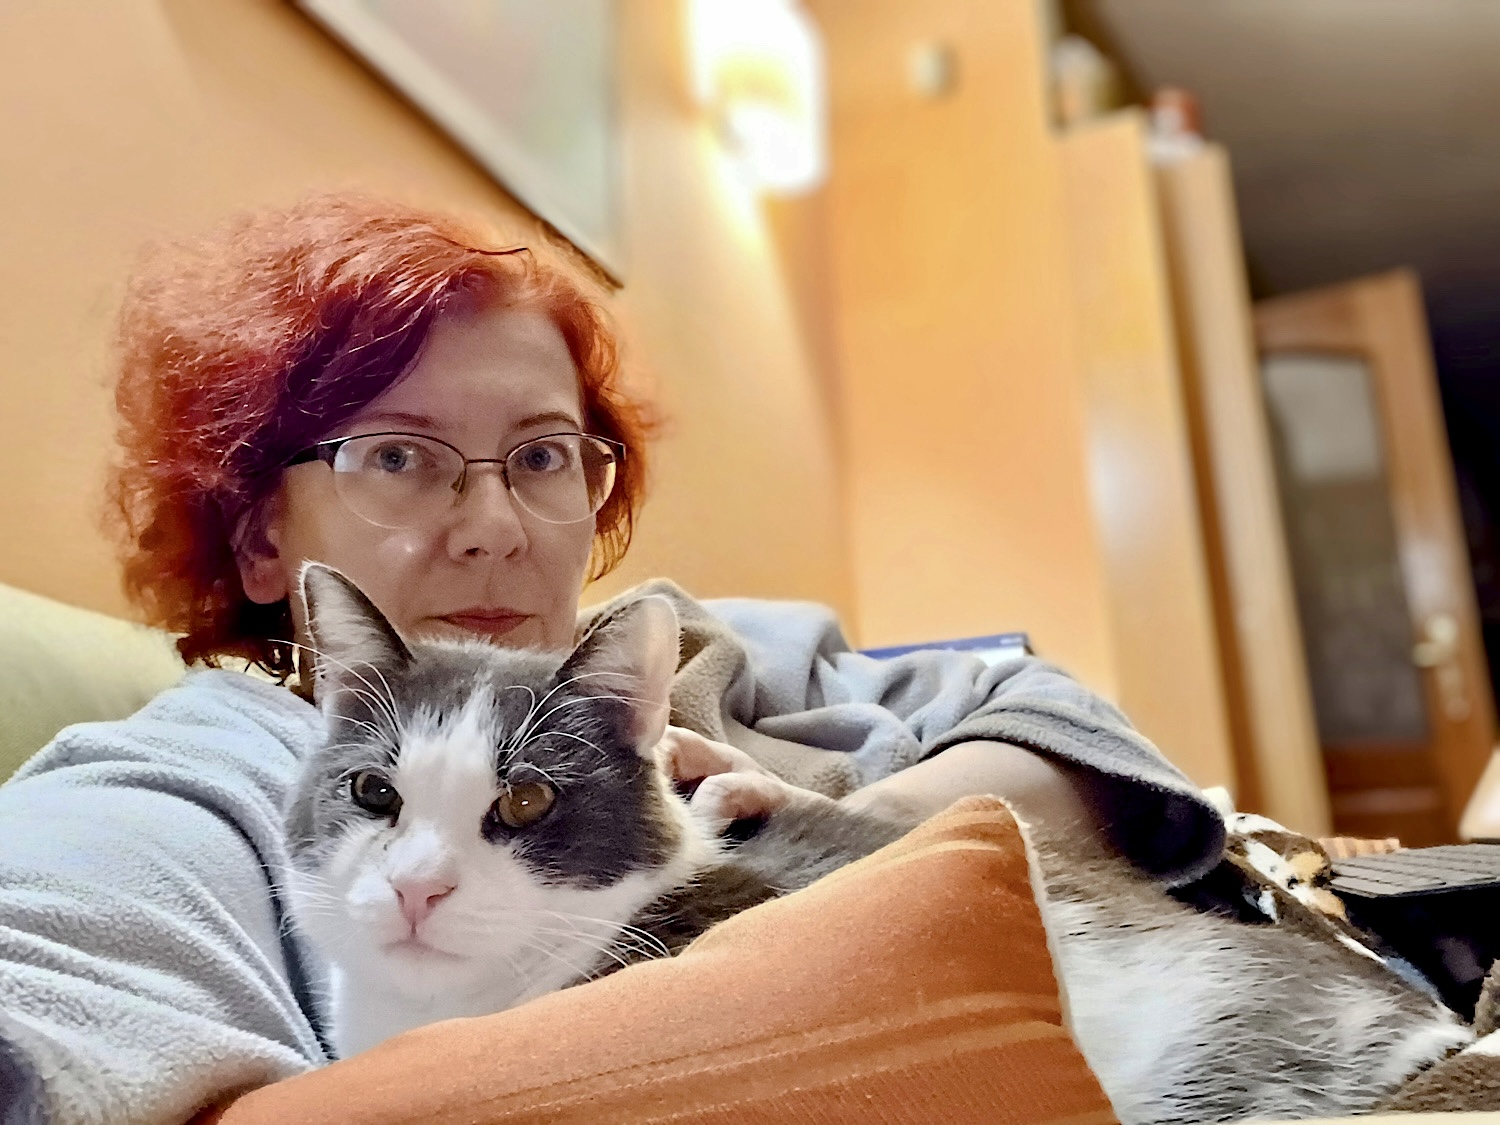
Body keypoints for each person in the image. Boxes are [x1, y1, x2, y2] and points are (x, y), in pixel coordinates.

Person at [0, 194, 1222, 1125]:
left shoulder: (712, 641)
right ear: (262, 537)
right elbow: (58, 951)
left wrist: (863, 826)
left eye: (540, 456)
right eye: (399, 456)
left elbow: (1054, 713)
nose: (495, 526)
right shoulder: (230, 758)